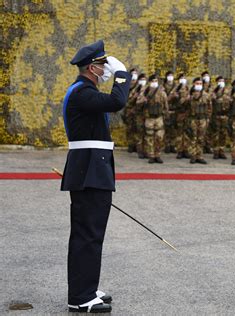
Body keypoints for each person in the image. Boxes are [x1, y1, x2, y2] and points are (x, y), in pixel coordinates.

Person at [61, 40, 131, 313]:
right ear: (92, 67)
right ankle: (80, 297)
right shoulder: (82, 93)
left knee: (90, 234)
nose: (107, 69)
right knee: (87, 234)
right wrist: (123, 74)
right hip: (89, 171)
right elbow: (117, 101)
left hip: (90, 169)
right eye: (104, 65)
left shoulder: (84, 91)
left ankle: (86, 289)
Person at [139, 74, 169, 164]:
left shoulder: (162, 92)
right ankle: (151, 155)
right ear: (149, 82)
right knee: (149, 138)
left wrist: (166, 116)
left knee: (159, 137)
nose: (154, 83)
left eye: (156, 81)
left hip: (159, 118)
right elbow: (138, 103)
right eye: (152, 81)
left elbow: (165, 105)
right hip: (149, 118)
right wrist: (143, 100)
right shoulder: (145, 91)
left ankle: (158, 155)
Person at [187, 77, 212, 164]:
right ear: (194, 84)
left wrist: (208, 118)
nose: (199, 85)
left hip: (203, 119)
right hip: (194, 119)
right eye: (197, 83)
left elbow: (209, 108)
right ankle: (193, 156)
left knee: (201, 139)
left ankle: (200, 156)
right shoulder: (190, 96)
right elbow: (186, 108)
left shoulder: (206, 95)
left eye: (200, 83)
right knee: (193, 138)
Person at [169, 74, 191, 159]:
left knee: (187, 134)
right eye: (181, 78)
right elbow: (169, 99)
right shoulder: (176, 89)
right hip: (178, 114)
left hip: (187, 114)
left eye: (184, 78)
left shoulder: (188, 88)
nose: (183, 80)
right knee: (179, 134)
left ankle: (186, 150)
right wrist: (174, 96)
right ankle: (179, 151)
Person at [211, 76, 230, 159]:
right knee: (216, 134)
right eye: (220, 81)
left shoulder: (227, 91)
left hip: (225, 115)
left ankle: (222, 151)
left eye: (223, 81)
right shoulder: (213, 91)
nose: (221, 82)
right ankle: (215, 151)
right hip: (216, 115)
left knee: (223, 134)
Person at [122, 68, 138, 153]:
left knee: (138, 128)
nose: (134, 75)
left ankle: (137, 145)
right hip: (128, 109)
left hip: (138, 111)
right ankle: (131, 145)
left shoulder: (140, 86)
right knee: (129, 129)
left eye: (136, 73)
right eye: (133, 73)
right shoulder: (126, 85)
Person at [133, 74, 148, 158]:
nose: (143, 81)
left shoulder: (148, 89)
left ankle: (147, 150)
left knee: (147, 133)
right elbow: (130, 101)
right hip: (139, 115)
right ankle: (140, 151)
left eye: (144, 79)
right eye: (141, 79)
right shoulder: (136, 89)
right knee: (139, 133)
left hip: (147, 114)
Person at [163, 71, 177, 153]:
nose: (170, 77)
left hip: (174, 110)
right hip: (166, 111)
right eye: (169, 76)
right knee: (166, 129)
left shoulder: (176, 86)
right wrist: (170, 97)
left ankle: (173, 145)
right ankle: (167, 145)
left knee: (174, 130)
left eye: (172, 75)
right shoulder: (163, 87)